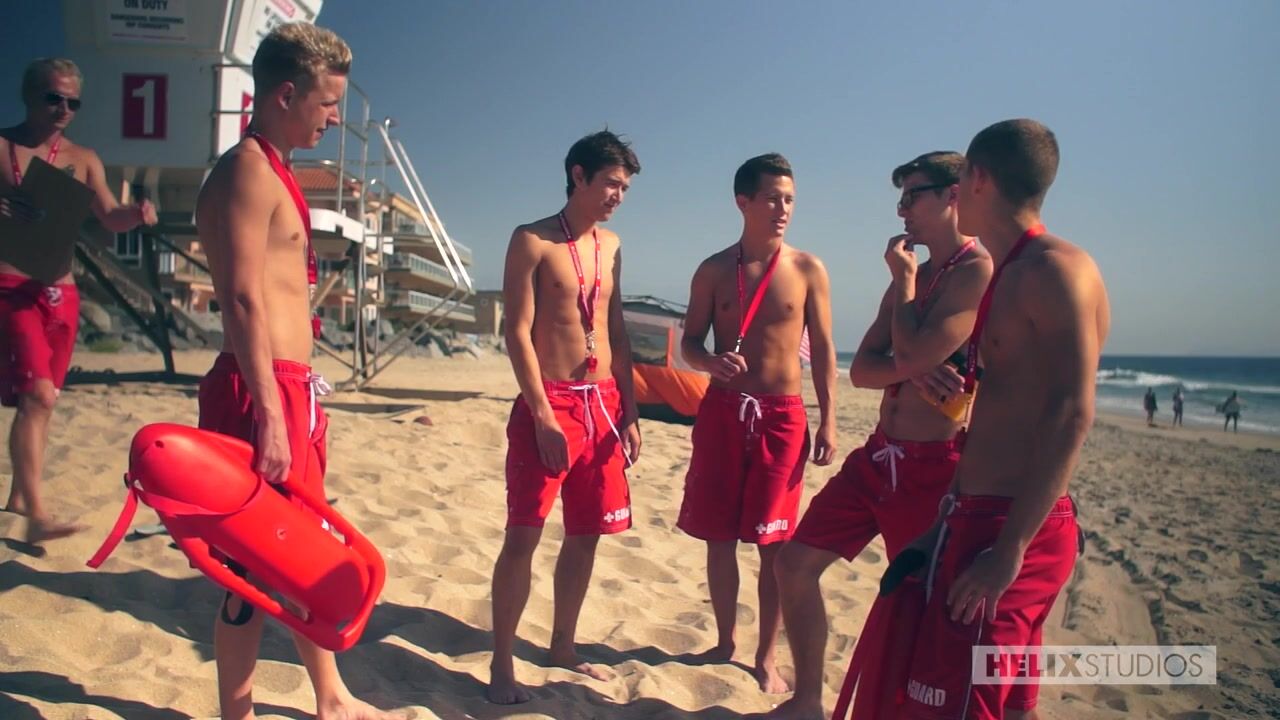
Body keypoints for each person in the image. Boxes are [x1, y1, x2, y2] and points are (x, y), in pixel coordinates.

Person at [194, 23, 401, 720]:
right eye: (328, 102)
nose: (336, 118)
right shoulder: (246, 171)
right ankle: (237, 711)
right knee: (249, 568)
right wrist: (271, 416)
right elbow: (242, 300)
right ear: (286, 95)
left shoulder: (274, 167)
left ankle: (331, 695)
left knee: (301, 549)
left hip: (290, 388)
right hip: (259, 389)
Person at [879, 119, 1110, 719]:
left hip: (1011, 526)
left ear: (977, 180)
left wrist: (1010, 550)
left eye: (958, 182)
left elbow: (1072, 411)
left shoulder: (1053, 270)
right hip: (979, 515)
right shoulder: (1011, 270)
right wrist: (942, 522)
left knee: (963, 704)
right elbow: (994, 415)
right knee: (1009, 705)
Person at [762, 151, 992, 719]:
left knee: (919, 603)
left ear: (953, 195)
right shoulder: (915, 276)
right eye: (901, 197)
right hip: (879, 456)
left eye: (913, 196)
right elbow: (863, 369)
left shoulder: (975, 270)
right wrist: (911, 365)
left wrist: (906, 301)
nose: (901, 210)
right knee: (794, 564)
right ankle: (808, 701)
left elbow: (907, 353)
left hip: (935, 465)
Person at [488, 130, 643, 705]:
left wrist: (630, 412)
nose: (618, 196)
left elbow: (617, 330)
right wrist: (541, 415)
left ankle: (562, 646)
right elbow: (516, 332)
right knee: (523, 535)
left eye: (624, 188)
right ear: (578, 176)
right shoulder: (531, 240)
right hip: (550, 402)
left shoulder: (612, 244)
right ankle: (502, 662)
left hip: (603, 402)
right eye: (611, 183)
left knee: (586, 535)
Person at [677, 153, 838, 694]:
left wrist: (829, 420)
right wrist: (708, 362)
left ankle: (765, 656)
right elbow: (690, 342)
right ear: (742, 202)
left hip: (782, 416)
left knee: (775, 543)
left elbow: (826, 351)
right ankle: (725, 641)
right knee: (718, 536)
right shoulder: (714, 270)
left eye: (789, 199)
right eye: (772, 198)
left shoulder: (808, 269)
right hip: (723, 411)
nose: (782, 208)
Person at [0, 57, 157, 544]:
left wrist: (137, 213)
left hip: (61, 290)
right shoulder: (3, 146)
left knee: (44, 401)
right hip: (12, 285)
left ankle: (18, 498)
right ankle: (37, 516)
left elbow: (109, 215)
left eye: (73, 102)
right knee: (37, 395)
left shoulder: (83, 158)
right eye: (54, 98)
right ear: (29, 95)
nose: (63, 109)